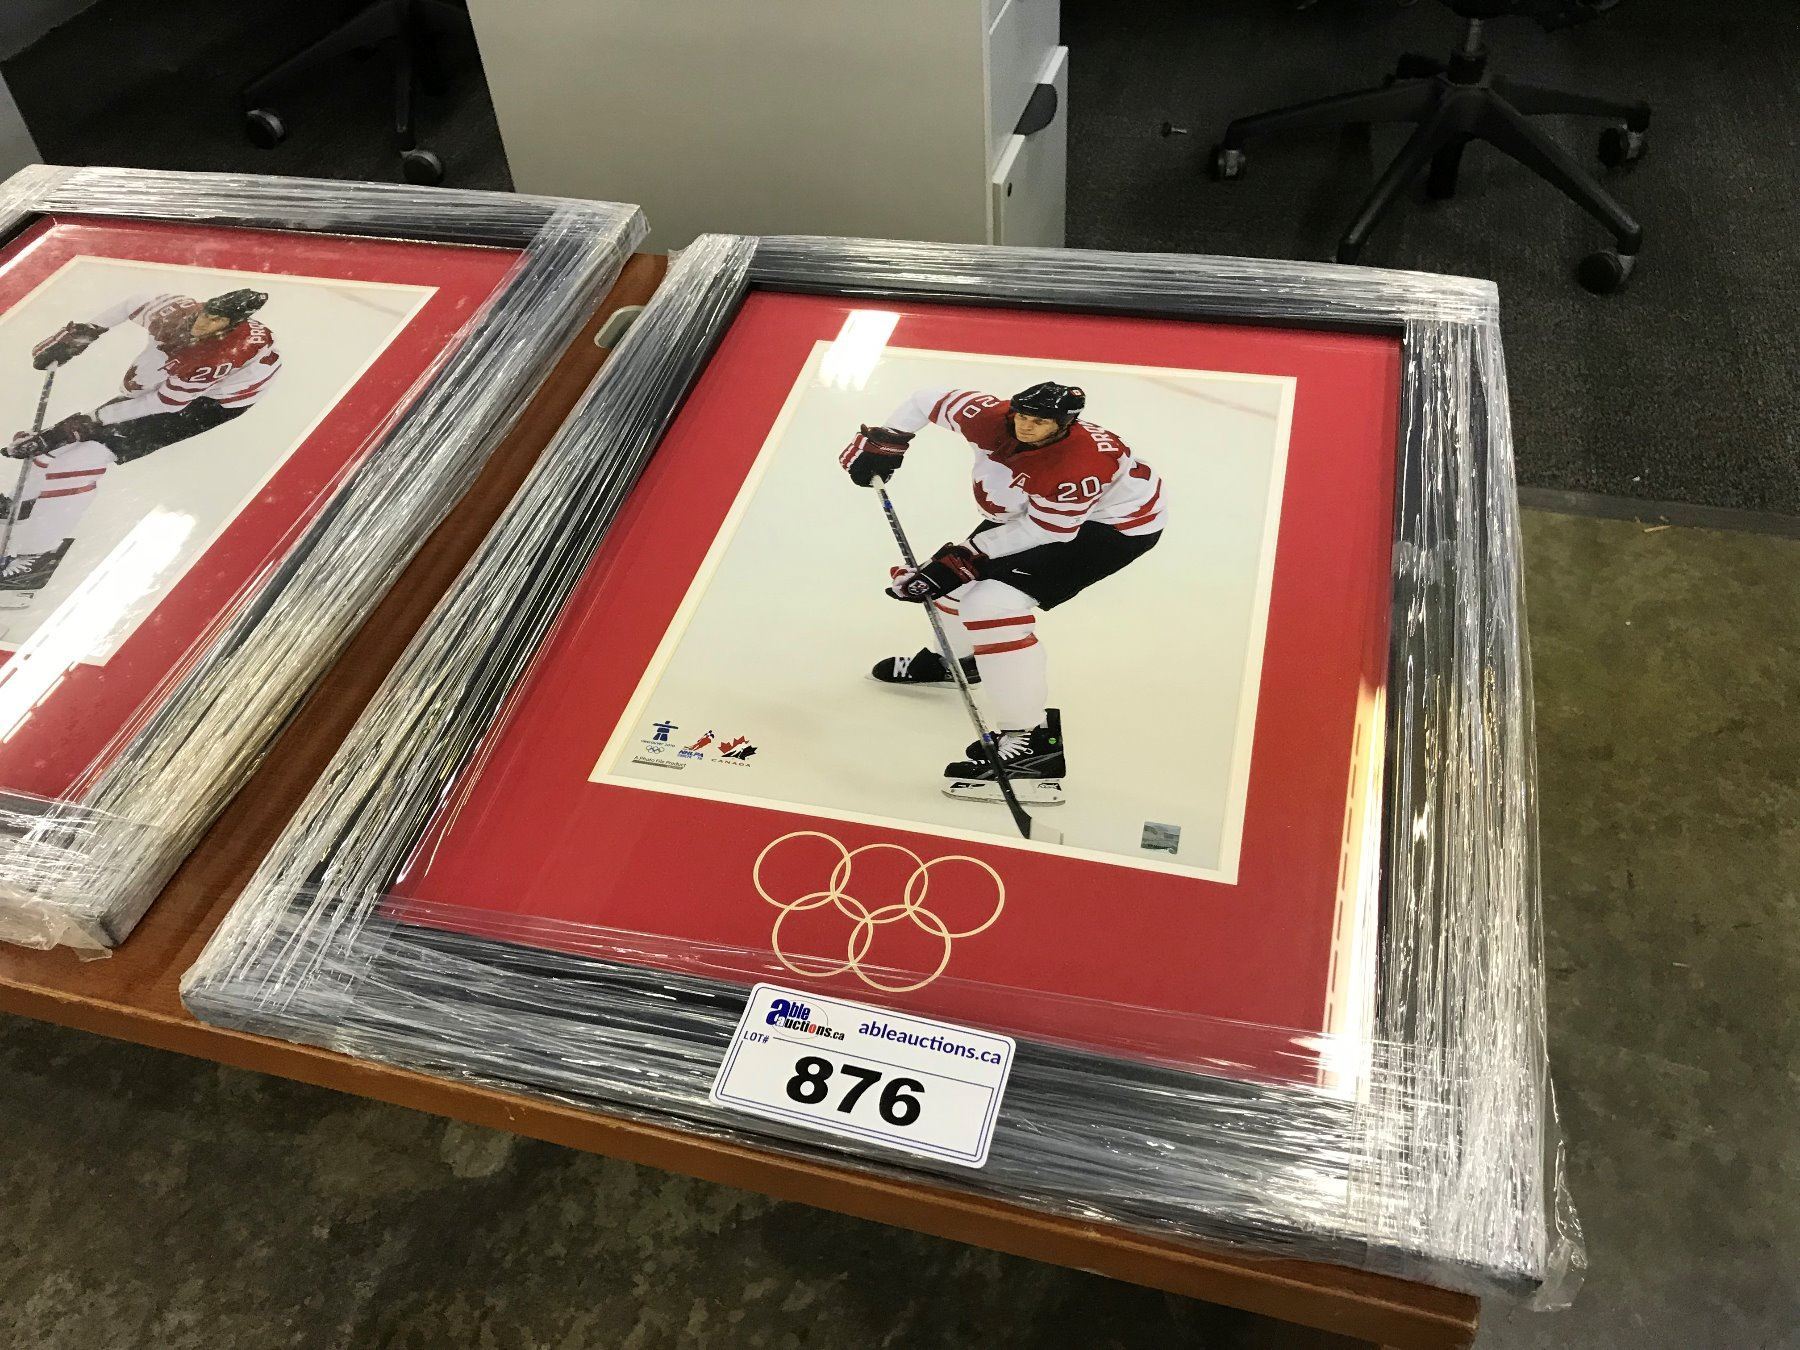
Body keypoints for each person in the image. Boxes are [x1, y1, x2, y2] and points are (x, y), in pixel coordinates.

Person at [840, 380, 1165, 803]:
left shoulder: (1073, 469)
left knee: (991, 605)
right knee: (953, 584)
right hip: (1037, 507)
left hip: (1109, 528)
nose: (1026, 427)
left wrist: (964, 558)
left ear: (1065, 424)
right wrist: (890, 439)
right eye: (1022, 416)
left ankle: (1030, 746)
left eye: (1040, 423)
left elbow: (1050, 531)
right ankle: (955, 662)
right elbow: (925, 399)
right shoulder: (989, 416)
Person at [0, 288, 280, 606]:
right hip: (179, 379)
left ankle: (36, 556)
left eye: (215, 320)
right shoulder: (174, 313)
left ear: (230, 324)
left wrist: (86, 423)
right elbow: (131, 303)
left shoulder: (214, 358)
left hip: (212, 402)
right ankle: (24, 502)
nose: (204, 322)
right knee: (62, 440)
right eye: (206, 313)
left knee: (82, 458)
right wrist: (86, 332)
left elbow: (164, 403)